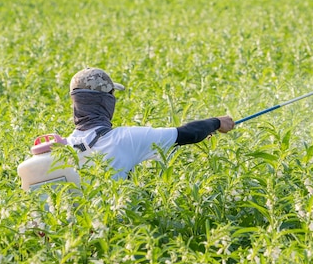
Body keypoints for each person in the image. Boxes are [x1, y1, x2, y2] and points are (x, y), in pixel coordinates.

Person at [66, 68, 235, 180]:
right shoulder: (124, 139)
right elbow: (188, 134)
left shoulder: (64, 148)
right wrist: (217, 122)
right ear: (106, 101)